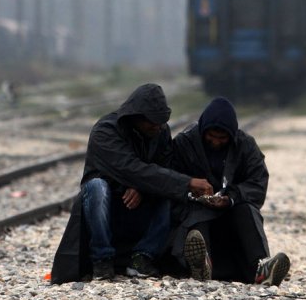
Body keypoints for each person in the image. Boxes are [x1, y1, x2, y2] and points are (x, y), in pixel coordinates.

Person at [51, 83, 213, 283]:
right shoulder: (106, 131)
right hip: (107, 207)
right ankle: (102, 260)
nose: (158, 127)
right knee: (96, 186)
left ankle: (142, 257)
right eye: (152, 123)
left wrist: (140, 188)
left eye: (161, 123)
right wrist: (187, 182)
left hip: (141, 206)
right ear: (135, 117)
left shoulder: (160, 133)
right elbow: (129, 168)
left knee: (168, 189)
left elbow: (162, 169)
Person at [169, 97, 291, 286]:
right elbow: (169, 179)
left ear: (231, 135)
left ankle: (261, 267)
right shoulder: (185, 143)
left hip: (230, 214)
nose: (216, 142)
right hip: (195, 211)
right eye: (211, 136)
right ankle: (202, 265)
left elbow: (258, 184)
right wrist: (190, 186)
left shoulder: (245, 145)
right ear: (203, 131)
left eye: (222, 138)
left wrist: (231, 198)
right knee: (196, 219)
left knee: (247, 210)